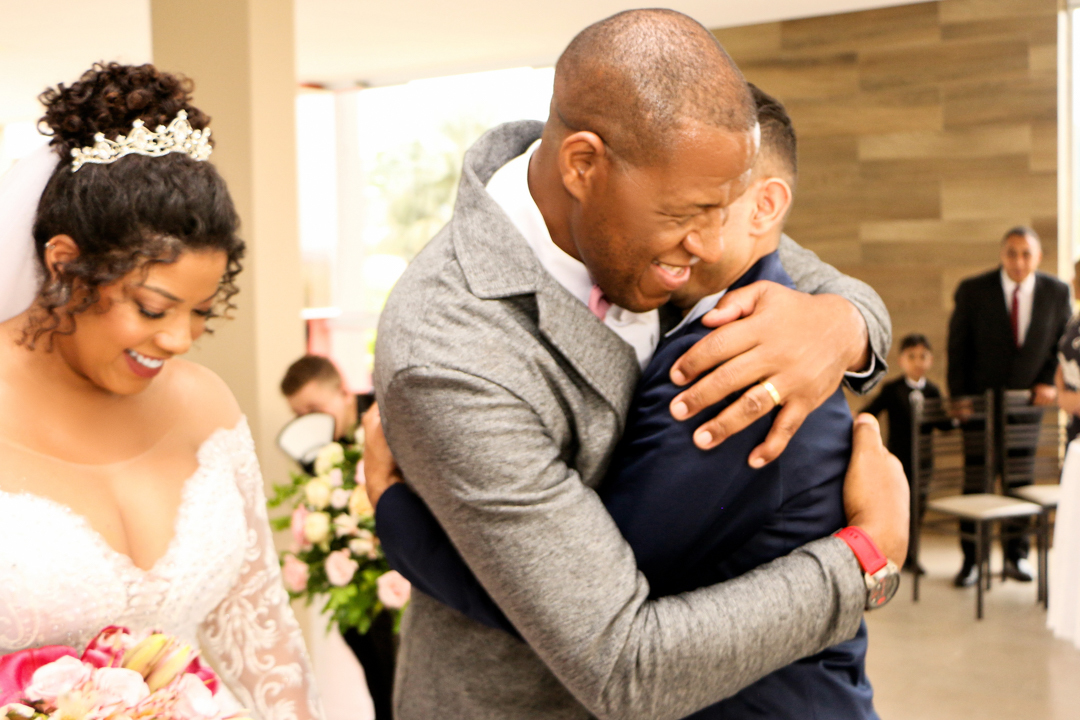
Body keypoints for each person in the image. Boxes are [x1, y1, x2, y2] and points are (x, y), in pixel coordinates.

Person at [370, 11, 908, 720]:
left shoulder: (672, 197)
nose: (712, 244)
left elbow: (827, 287)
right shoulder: (450, 351)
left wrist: (841, 327)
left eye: (724, 209)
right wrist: (866, 561)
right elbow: (623, 662)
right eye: (691, 214)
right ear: (583, 165)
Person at [0, 63, 322, 720]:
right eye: (152, 308)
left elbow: (263, 644)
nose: (179, 340)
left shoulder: (206, 406)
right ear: (64, 264)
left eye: (202, 311)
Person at [948, 226, 1072, 586]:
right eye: (1012, 253)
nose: (1019, 261)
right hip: (979, 405)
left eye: (1026, 254)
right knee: (976, 479)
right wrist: (959, 396)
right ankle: (972, 561)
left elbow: (1061, 344)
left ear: (1038, 257)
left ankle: (1016, 558)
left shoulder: (1056, 292)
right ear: (1002, 254)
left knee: (1020, 479)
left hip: (1026, 406)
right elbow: (958, 347)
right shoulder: (973, 290)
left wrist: (1048, 380)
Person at [279, 355, 391, 720]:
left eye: (314, 408)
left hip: (393, 582)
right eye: (298, 414)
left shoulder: (382, 426)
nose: (307, 421)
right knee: (375, 676)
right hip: (349, 586)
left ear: (344, 394)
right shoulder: (313, 453)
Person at [863, 333, 948, 571]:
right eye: (912, 356)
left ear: (930, 360)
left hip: (924, 461)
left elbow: (943, 423)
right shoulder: (892, 389)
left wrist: (958, 418)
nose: (918, 361)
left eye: (923, 356)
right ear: (902, 360)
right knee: (898, 508)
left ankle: (912, 555)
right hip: (899, 459)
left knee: (917, 508)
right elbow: (871, 411)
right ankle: (895, 553)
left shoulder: (932, 391)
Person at [281, 354, 374, 442]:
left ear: (344, 393)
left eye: (315, 411)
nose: (309, 423)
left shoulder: (382, 416)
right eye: (299, 415)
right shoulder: (312, 447)